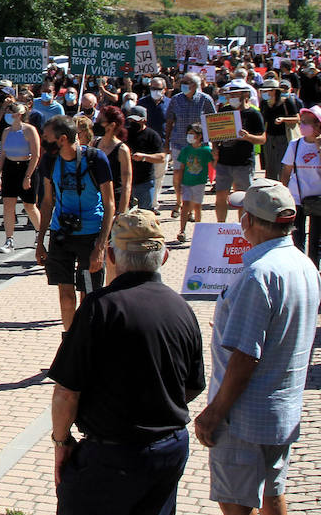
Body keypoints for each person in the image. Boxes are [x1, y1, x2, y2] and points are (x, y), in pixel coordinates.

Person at [49, 210, 205, 515]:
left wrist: (61, 441)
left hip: (113, 455)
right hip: (169, 448)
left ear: (110, 255)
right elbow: (192, 386)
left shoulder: (99, 308)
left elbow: (67, 392)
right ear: (165, 257)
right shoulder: (181, 308)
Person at [195, 179, 321, 515]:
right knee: (273, 492)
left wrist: (214, 413)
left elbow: (245, 357)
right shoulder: (304, 264)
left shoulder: (257, 274)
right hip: (281, 411)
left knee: (236, 502)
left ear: (249, 221)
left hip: (244, 417)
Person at [35, 115, 114, 332]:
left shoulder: (95, 159)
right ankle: (69, 342)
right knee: (66, 296)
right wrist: (40, 241)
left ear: (61, 139)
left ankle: (87, 344)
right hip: (61, 235)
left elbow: (110, 204)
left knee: (88, 296)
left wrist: (100, 246)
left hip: (90, 237)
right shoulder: (49, 161)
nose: (43, 140)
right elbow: (47, 202)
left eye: (46, 136)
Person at [279, 106, 321, 268]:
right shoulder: (294, 145)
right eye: (301, 122)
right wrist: (283, 194)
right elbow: (286, 171)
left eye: (306, 123)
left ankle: (314, 271)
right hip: (297, 198)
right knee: (297, 239)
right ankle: (300, 271)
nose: (301, 126)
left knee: (316, 239)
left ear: (318, 125)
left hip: (320, 197)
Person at [212, 81, 266, 222]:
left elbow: (262, 139)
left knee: (242, 197)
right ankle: (220, 226)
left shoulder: (253, 114)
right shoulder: (224, 110)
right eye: (231, 95)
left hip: (243, 163)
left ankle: (242, 228)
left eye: (236, 95)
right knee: (221, 195)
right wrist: (215, 148)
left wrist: (248, 137)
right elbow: (215, 134)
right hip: (224, 161)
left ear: (245, 95)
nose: (233, 98)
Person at [164, 72, 216, 219]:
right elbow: (169, 122)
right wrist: (166, 143)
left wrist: (213, 145)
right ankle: (179, 201)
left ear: (195, 85)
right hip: (179, 142)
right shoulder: (175, 100)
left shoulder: (205, 100)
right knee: (177, 175)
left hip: (198, 146)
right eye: (183, 82)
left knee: (194, 175)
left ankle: (191, 207)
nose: (184, 85)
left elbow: (213, 122)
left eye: (187, 82)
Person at [0, 101, 42, 254]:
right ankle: (9, 239)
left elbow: (36, 155)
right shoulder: (6, 131)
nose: (9, 115)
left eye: (12, 112)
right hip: (10, 168)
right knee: (8, 204)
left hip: (26, 167)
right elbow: (3, 153)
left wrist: (28, 176)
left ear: (20, 114)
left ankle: (39, 234)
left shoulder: (30, 130)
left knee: (29, 205)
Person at [177, 123, 214, 244]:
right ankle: (182, 230)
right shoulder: (186, 150)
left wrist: (216, 157)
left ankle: (198, 230)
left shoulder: (206, 151)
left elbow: (213, 166)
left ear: (199, 136)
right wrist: (178, 182)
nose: (190, 136)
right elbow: (181, 167)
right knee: (185, 205)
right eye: (189, 133)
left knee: (197, 207)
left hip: (199, 183)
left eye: (192, 134)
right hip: (186, 182)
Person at [126, 109, 167, 214]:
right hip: (127, 180)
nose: (133, 124)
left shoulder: (152, 135)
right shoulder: (125, 134)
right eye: (131, 121)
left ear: (144, 120)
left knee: (144, 213)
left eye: (136, 121)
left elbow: (161, 157)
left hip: (144, 181)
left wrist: (144, 157)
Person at [259, 80, 301, 181]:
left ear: (274, 91)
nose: (265, 93)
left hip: (284, 137)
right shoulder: (264, 103)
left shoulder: (287, 102)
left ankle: (284, 185)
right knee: (270, 164)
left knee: (283, 164)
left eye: (267, 91)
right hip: (269, 137)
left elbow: (297, 118)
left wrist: (283, 119)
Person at [95, 106, 132, 217]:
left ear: (112, 125)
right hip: (96, 201)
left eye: (100, 121)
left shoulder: (122, 150)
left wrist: (121, 213)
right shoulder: (95, 144)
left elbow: (126, 185)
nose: (96, 123)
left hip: (114, 201)